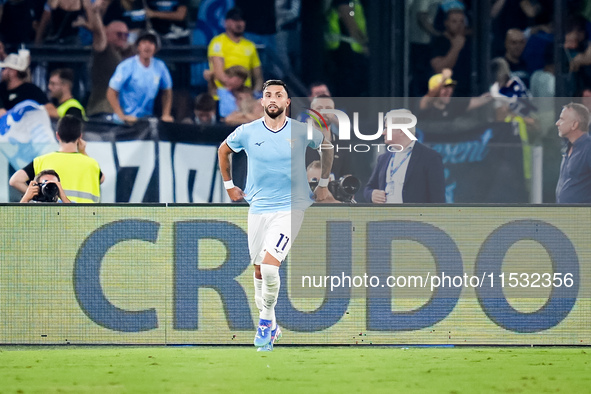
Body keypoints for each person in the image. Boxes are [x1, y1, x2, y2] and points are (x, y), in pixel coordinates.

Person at [217, 79, 333, 352]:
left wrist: (324, 184)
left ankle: (266, 321)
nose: (272, 99)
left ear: (287, 102)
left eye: (278, 95)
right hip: (258, 208)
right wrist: (229, 186)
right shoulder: (247, 131)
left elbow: (326, 147)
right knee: (258, 269)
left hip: (292, 207)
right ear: (262, 102)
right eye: (268, 94)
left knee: (270, 266)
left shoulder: (302, 130)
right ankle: (272, 325)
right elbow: (224, 150)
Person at [9, 115, 104, 203]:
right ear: (80, 136)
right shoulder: (92, 164)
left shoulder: (42, 161)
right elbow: (101, 179)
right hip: (87, 218)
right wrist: (83, 152)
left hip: (53, 216)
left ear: (57, 135)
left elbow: (14, 180)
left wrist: (38, 195)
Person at [364, 109, 445, 203]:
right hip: (386, 216)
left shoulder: (430, 158)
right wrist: (372, 195)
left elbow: (438, 200)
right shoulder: (383, 159)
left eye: (387, 128)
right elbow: (368, 188)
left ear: (401, 131)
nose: (383, 132)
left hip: (414, 217)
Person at [107, 30, 173, 123]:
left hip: (146, 119)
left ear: (156, 47)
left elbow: (167, 91)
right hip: (125, 121)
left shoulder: (160, 66)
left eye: (151, 43)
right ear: (138, 46)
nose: (147, 46)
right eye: (144, 42)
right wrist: (121, 115)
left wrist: (166, 114)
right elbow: (111, 91)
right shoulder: (126, 66)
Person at [83, 0, 134, 118]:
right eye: (119, 34)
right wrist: (95, 13)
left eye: (126, 35)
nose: (123, 38)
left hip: (121, 112)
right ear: (107, 34)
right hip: (102, 110)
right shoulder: (104, 50)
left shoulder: (127, 54)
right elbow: (98, 33)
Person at [207, 8, 263, 97]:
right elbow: (219, 73)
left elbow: (258, 76)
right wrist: (236, 84)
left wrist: (255, 93)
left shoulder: (250, 46)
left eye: (242, 20)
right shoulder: (217, 42)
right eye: (235, 20)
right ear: (226, 22)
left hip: (245, 96)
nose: (239, 23)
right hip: (223, 94)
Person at [0, 52, 58, 118]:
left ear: (13, 72)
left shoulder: (31, 90)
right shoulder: (1, 89)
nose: (2, 72)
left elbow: (53, 112)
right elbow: (2, 113)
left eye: (4, 69)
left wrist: (31, 111)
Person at [429, 8, 472, 97]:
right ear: (446, 23)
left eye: (462, 22)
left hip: (467, 90)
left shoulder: (469, 41)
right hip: (446, 93)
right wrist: (456, 48)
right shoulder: (439, 42)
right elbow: (439, 69)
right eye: (454, 22)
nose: (459, 25)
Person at [555, 103, 591, 203]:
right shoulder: (568, 147)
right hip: (565, 215)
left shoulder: (588, 148)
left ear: (574, 125)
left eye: (562, 119)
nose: (557, 123)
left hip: (583, 216)